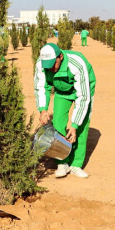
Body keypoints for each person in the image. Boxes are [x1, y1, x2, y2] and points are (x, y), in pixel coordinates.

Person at [34, 43, 96, 179]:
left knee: (81, 125)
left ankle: (76, 165)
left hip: (83, 90)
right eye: (47, 65)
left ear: (60, 56)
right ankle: (62, 162)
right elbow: (41, 86)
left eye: (53, 64)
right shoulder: (41, 64)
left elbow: (83, 97)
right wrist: (43, 109)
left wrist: (74, 125)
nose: (50, 68)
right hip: (61, 91)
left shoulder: (76, 63)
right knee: (58, 122)